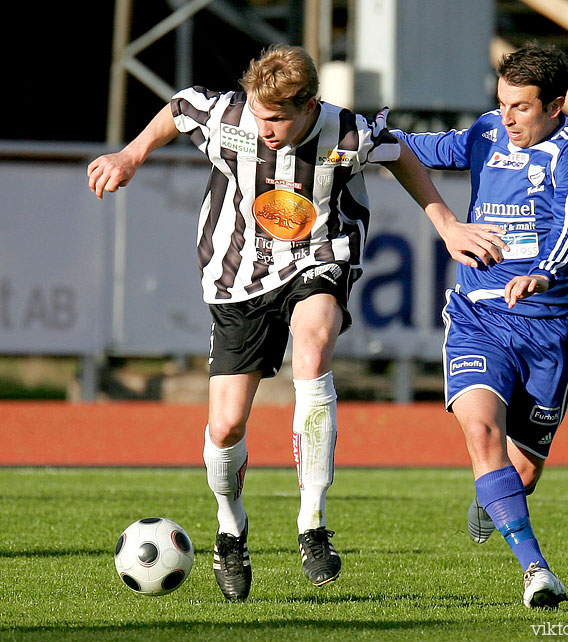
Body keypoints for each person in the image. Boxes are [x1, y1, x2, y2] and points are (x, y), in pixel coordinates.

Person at [87, 44, 506, 602]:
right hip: (235, 275)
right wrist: (132, 154)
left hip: (318, 257)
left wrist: (448, 224)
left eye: (280, 118)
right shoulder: (228, 117)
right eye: (261, 116)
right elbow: (180, 105)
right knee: (226, 428)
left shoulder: (347, 131)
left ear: (310, 105)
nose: (267, 129)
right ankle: (230, 530)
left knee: (311, 355)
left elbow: (402, 154)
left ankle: (311, 523)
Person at [392, 43, 568, 608]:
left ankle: (499, 495)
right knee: (482, 434)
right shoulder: (488, 131)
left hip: (546, 326)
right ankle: (537, 572)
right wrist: (362, 131)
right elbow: (427, 148)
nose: (507, 119)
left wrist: (543, 273)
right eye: (502, 103)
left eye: (522, 108)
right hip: (478, 316)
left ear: (556, 106)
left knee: (524, 471)